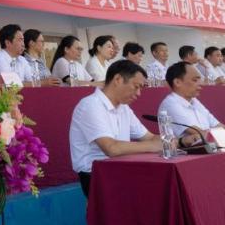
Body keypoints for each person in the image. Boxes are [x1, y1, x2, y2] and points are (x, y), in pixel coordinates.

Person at [69, 60, 163, 197]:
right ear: (117, 79)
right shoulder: (90, 105)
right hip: (96, 175)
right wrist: (152, 145)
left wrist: (177, 142)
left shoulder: (123, 107)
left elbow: (149, 137)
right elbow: (111, 148)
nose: (139, 94)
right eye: (136, 86)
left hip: (122, 169)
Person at [158, 62, 225, 143]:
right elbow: (203, 134)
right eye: (195, 80)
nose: (200, 84)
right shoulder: (170, 104)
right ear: (177, 82)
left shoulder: (194, 101)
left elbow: (220, 127)